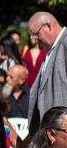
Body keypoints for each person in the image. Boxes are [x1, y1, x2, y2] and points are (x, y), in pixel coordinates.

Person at [27, 12, 67, 141]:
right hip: (51, 133)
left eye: (36, 35)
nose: (34, 40)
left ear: (48, 26)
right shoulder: (51, 49)